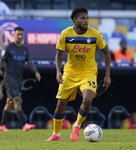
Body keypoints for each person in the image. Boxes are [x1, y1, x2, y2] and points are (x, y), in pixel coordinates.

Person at [45, 7, 111, 141]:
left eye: (87, 18)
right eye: (82, 18)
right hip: (69, 73)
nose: (86, 21)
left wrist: (107, 75)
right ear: (75, 20)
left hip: (88, 73)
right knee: (60, 105)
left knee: (87, 100)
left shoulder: (95, 34)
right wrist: (58, 71)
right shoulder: (66, 34)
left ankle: (77, 125)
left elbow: (106, 52)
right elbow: (59, 54)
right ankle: (56, 134)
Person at [0, 27, 41, 131]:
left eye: (21, 35)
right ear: (13, 35)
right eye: (17, 34)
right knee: (18, 100)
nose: (19, 36)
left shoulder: (25, 49)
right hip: (9, 79)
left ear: (23, 36)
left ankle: (1, 125)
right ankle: (25, 124)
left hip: (18, 79)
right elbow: (0, 61)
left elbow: (29, 62)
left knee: (10, 102)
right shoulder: (8, 48)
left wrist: (36, 72)